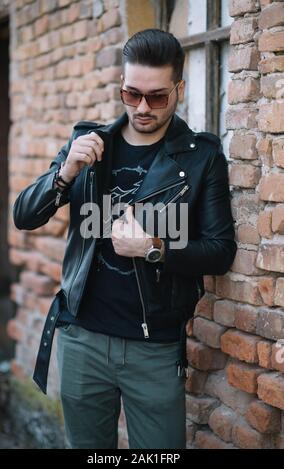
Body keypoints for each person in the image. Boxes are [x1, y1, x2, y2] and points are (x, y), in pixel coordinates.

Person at [13, 28, 237, 449]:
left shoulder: (201, 156)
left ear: (179, 89)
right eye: (132, 94)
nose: (143, 107)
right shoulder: (90, 143)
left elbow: (220, 251)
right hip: (82, 339)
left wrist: (153, 248)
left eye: (157, 97)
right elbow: (24, 216)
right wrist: (65, 174)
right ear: (121, 86)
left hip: (153, 348)